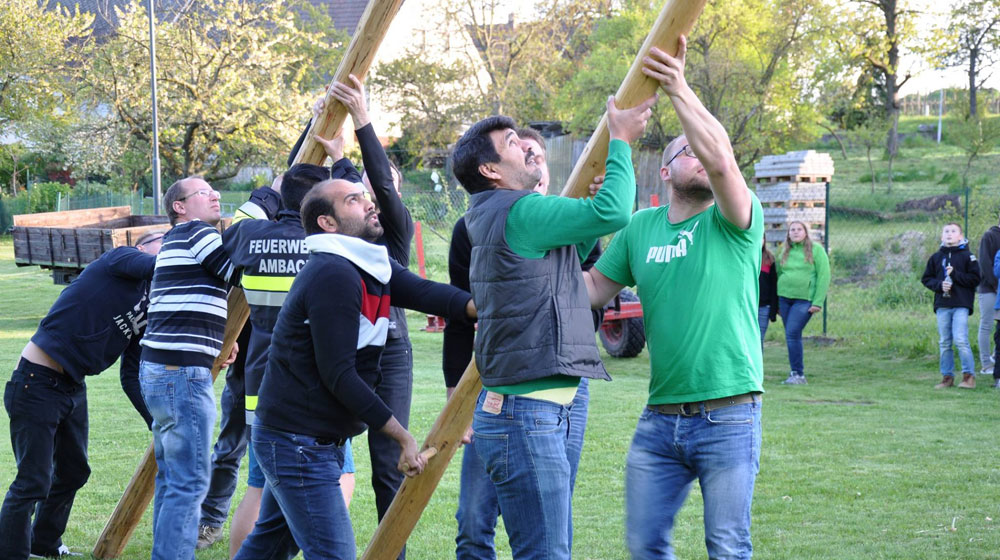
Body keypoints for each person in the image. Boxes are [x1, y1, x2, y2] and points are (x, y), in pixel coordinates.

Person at [582, 36, 764, 559]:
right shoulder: (641, 227)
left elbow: (724, 161)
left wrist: (678, 87)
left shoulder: (735, 220)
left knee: (727, 547)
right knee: (644, 545)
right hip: (661, 418)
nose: (703, 155)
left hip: (728, 414)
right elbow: (594, 288)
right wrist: (525, 281)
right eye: (687, 150)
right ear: (664, 173)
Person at [452, 89, 653, 559]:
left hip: (547, 405)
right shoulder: (519, 209)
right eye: (510, 143)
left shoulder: (500, 213)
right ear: (491, 171)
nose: (525, 145)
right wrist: (620, 140)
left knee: (550, 547)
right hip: (529, 414)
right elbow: (615, 213)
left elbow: (559, 272)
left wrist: (592, 214)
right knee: (546, 553)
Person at [232, 178, 475, 560]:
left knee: (270, 546)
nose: (369, 204)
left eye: (364, 197)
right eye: (353, 200)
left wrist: (481, 308)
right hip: (296, 442)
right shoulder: (333, 275)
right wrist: (401, 436)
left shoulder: (364, 265)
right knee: (334, 554)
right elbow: (339, 375)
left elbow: (424, 292)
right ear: (327, 223)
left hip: (305, 439)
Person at [445, 127, 602, 559]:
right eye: (518, 148)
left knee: (550, 526)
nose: (531, 157)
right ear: (494, 171)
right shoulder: (492, 221)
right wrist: (456, 406)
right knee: (480, 523)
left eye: (535, 152)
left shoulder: (559, 220)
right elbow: (462, 316)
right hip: (510, 391)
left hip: (563, 382)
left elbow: (586, 284)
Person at [291, 77, 415, 558]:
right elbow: (305, 184)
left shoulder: (393, 237)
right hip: (340, 355)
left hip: (390, 356)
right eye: (357, 198)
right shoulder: (332, 241)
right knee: (314, 454)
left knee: (388, 465)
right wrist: (321, 121)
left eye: (373, 197)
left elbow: (380, 184)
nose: (371, 201)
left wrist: (362, 119)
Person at [0, 230, 163, 560]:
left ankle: (44, 543)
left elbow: (130, 375)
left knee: (75, 470)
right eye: (165, 246)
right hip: (36, 381)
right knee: (33, 480)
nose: (169, 254)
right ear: (142, 248)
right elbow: (162, 266)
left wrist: (154, 422)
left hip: (73, 386)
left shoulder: (150, 306)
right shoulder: (119, 259)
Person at [139, 178, 240, 560]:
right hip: (181, 376)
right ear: (180, 206)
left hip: (159, 371)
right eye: (204, 193)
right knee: (190, 482)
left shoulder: (174, 242)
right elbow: (238, 273)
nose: (215, 196)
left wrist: (218, 344)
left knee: (171, 478)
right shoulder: (199, 233)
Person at [922, 222, 981, 389]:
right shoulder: (935, 257)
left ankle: (969, 376)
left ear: (960, 236)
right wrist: (940, 286)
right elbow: (926, 279)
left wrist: (955, 274)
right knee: (945, 342)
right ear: (942, 236)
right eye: (946, 231)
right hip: (943, 305)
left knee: (961, 340)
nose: (949, 234)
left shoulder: (968, 257)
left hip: (961, 304)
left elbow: (975, 279)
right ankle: (947, 377)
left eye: (953, 231)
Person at [776, 221, 830, 385]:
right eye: (792, 230)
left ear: (806, 232)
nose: (796, 232)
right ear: (788, 233)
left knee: (792, 333)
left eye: (799, 229)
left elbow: (824, 276)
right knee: (792, 335)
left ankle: (798, 375)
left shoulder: (817, 250)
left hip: (804, 300)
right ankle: (795, 372)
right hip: (784, 298)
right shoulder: (784, 250)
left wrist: (818, 302)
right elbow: (778, 273)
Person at [976, 216, 1000, 376]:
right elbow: (985, 263)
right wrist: (995, 285)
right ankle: (986, 364)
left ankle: (995, 356)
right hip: (988, 288)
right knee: (987, 325)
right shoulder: (989, 236)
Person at [758, 234, 779, 346]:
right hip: (746, 306)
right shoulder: (743, 256)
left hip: (763, 307)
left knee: (758, 339)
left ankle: (757, 364)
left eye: (761, 238)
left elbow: (773, 285)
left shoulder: (769, 259)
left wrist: (773, 309)